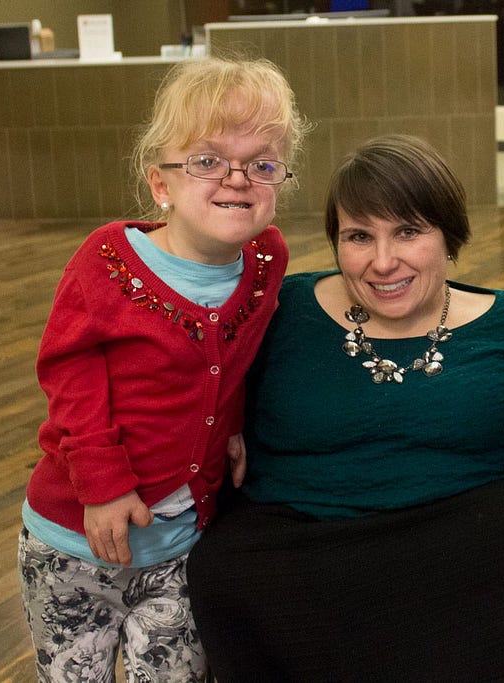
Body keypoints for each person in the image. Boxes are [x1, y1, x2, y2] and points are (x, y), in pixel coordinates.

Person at [186, 134, 504, 682]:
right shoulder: (280, 310)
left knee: (498, 526)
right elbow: (179, 385)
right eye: (358, 236)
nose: (382, 261)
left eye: (408, 231)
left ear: (449, 234)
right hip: (290, 584)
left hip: (461, 586)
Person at [18, 55, 307, 682]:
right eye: (206, 161)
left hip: (179, 551)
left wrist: (230, 421)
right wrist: (102, 482)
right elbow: (70, 371)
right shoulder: (107, 261)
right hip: (71, 544)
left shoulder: (266, 259)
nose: (236, 179)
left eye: (261, 163)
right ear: (160, 184)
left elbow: (236, 352)